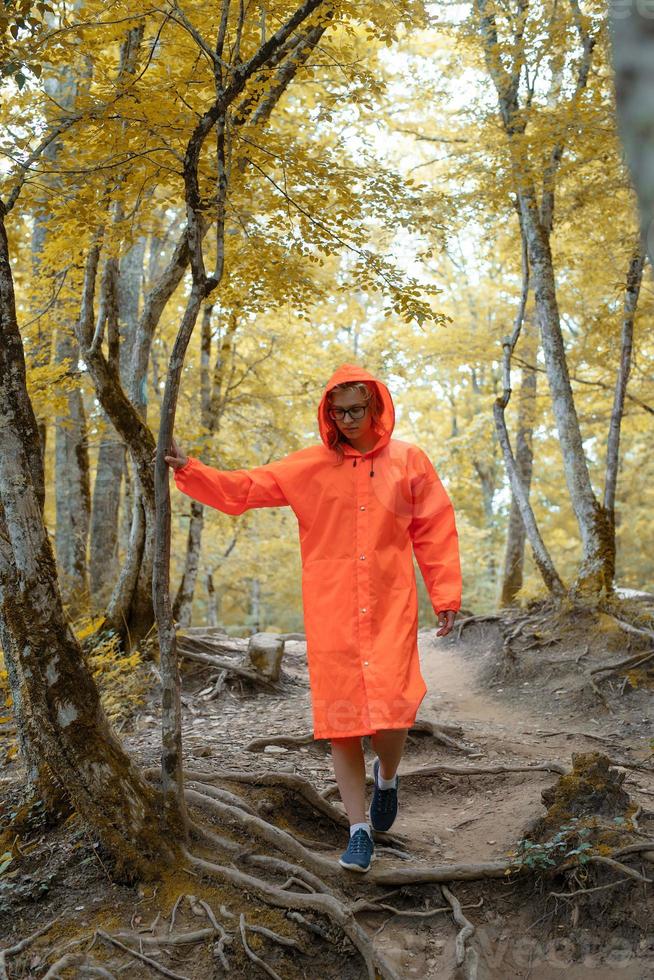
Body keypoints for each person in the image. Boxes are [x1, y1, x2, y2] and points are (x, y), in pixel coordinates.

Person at [160, 363, 462, 873]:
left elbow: (434, 526)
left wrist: (445, 592)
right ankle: (358, 829)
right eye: (337, 410)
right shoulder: (309, 466)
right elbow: (244, 489)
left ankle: (387, 776)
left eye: (355, 409)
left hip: (390, 605)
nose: (346, 419)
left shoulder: (409, 460)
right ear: (328, 411)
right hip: (333, 610)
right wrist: (190, 469)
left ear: (374, 406)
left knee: (393, 708)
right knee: (342, 721)